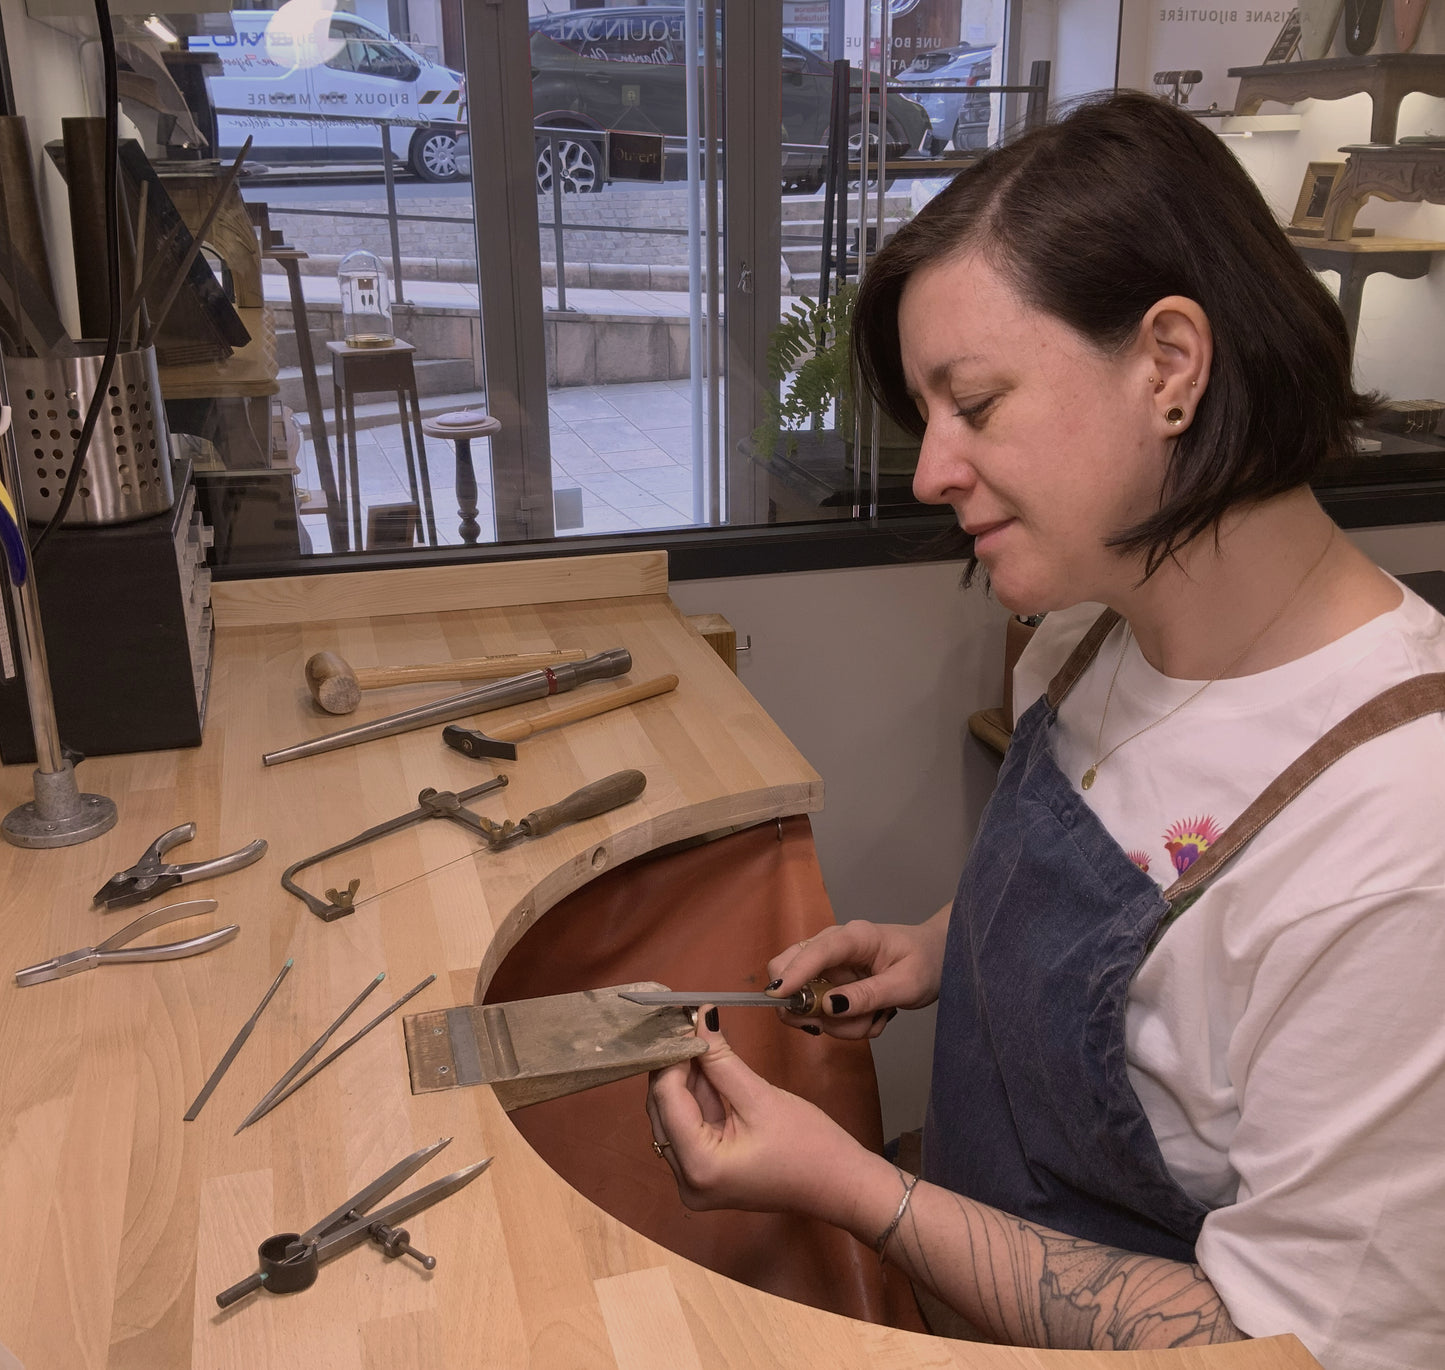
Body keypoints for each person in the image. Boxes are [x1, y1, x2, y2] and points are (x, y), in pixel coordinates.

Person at [645, 89, 1445, 1370]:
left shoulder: (1401, 840)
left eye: (975, 402)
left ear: (1168, 366)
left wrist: (858, 1189)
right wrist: (938, 950)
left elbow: (1289, 1345)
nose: (927, 471)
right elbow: (1143, 919)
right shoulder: (1086, 637)